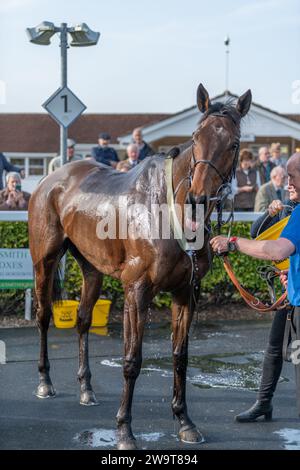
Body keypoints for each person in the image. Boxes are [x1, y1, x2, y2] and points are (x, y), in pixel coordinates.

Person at [210, 152, 300, 422]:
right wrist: (289, 274)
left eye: (293, 177)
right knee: (276, 347)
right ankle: (263, 402)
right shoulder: (292, 209)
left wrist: (233, 243)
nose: (288, 183)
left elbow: (276, 249)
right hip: (292, 299)